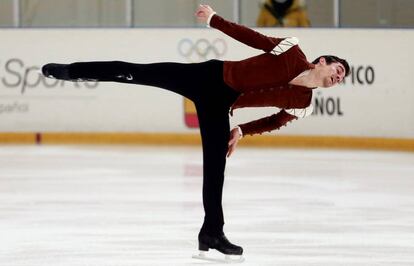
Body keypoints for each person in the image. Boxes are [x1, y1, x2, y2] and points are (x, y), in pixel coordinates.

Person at [41, 4, 349, 262]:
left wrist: (241, 130)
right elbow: (253, 38)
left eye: (342, 78)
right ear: (322, 62)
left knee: (216, 170)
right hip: (209, 77)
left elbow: (275, 121)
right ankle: (73, 70)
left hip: (222, 105)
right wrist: (215, 20)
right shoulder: (290, 50)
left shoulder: (303, 104)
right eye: (337, 70)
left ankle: (212, 234)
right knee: (139, 72)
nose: (338, 78)